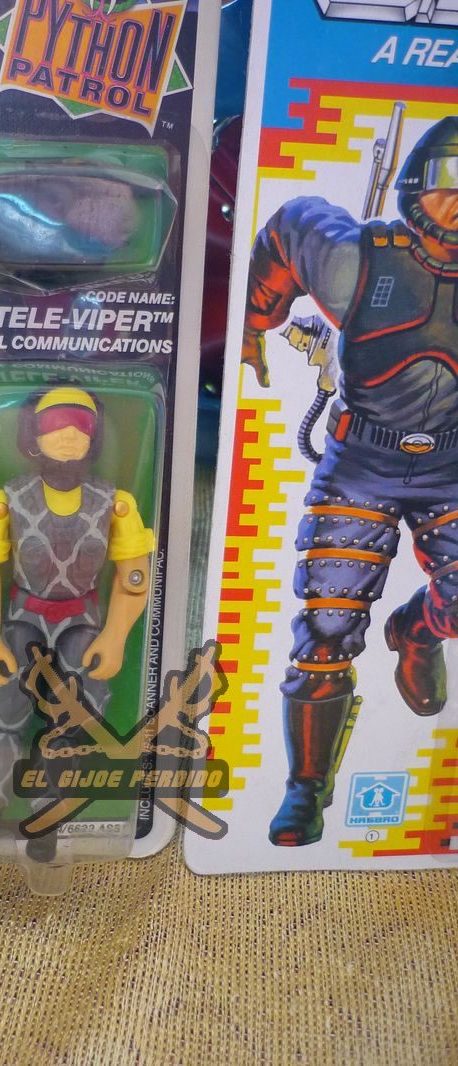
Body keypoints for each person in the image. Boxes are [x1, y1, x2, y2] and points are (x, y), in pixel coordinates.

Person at [240, 116, 458, 846]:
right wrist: (254, 321)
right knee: (327, 633)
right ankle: (307, 787)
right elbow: (290, 224)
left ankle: (415, 631)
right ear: (418, 184)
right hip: (361, 465)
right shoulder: (356, 258)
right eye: (452, 181)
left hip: (452, 467)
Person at [0, 386, 154, 860]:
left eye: (80, 425)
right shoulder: (5, 501)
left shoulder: (115, 504)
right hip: (22, 619)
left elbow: (134, 579)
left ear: (95, 437)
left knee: (69, 726)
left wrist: (115, 637)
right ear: (33, 436)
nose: (68, 435)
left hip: (81, 621)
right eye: (54, 425)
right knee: (3, 718)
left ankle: (46, 820)